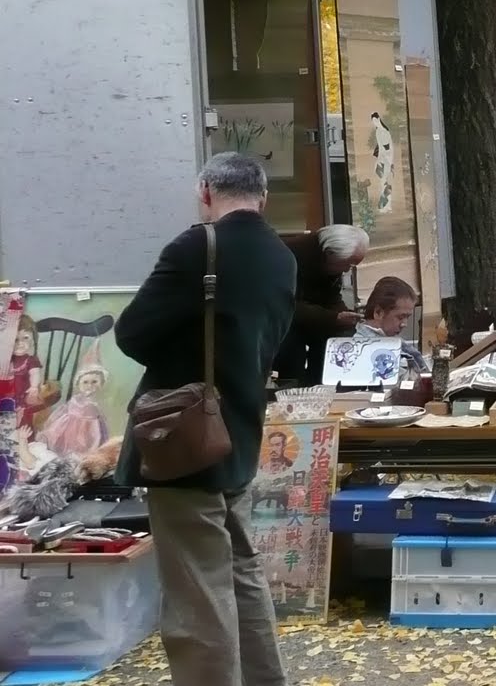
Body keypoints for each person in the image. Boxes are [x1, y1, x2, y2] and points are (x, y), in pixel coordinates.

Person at [113, 152, 294, 686]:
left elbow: (132, 334)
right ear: (263, 197)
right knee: (240, 571)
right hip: (239, 430)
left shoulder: (197, 247)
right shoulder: (281, 256)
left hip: (183, 437)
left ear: (206, 192)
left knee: (197, 590)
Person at [273, 224, 368, 385]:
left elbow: (331, 297)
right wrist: (333, 317)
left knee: (342, 333)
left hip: (309, 316)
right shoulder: (288, 257)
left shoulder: (330, 262)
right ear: (330, 253)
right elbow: (284, 305)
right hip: (283, 321)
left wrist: (342, 316)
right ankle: (294, 389)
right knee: (292, 348)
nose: (347, 270)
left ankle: (324, 384)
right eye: (348, 264)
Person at [357, 276, 427, 373]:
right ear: (378, 313)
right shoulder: (363, 350)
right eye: (400, 317)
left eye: (407, 317)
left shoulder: (392, 341)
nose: (404, 324)